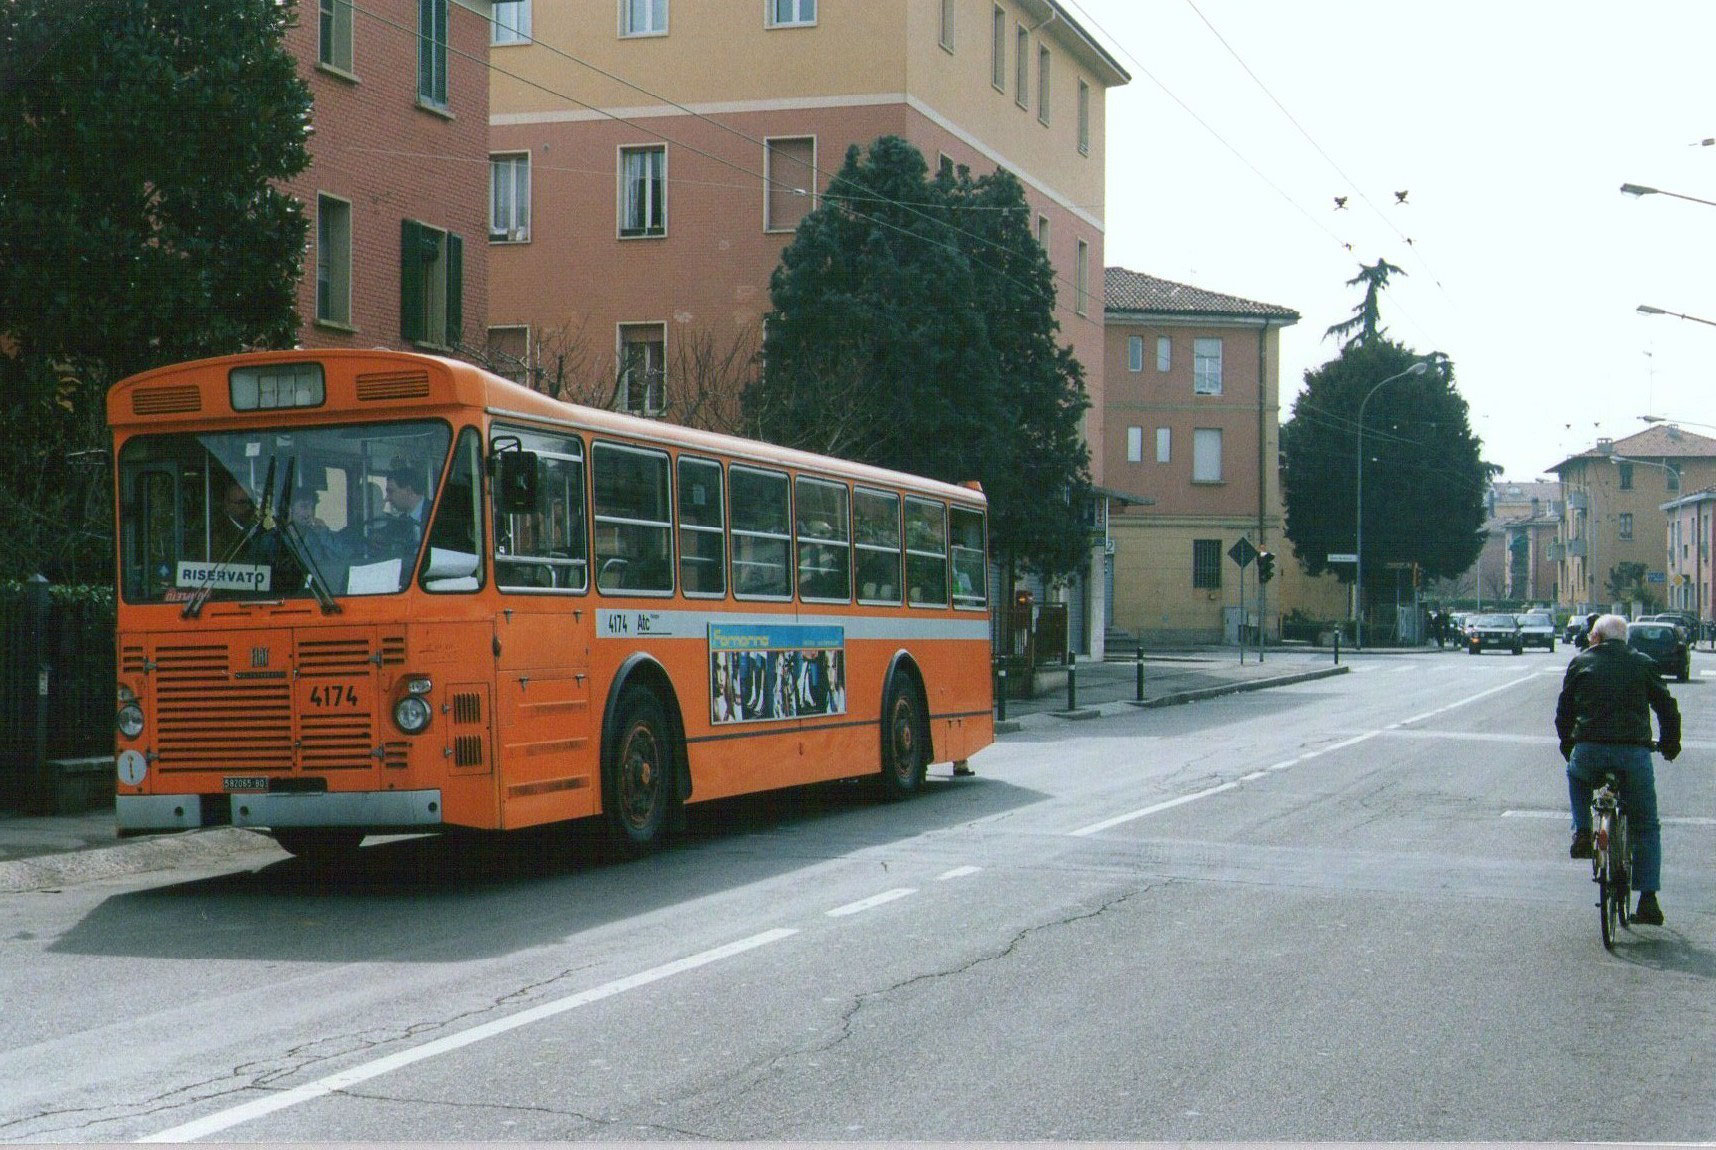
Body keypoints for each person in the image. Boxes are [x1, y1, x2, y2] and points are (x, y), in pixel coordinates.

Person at [1554, 613, 1681, 925]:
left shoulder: (1581, 663)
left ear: (1595, 637)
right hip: (1633, 752)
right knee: (1646, 825)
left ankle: (1583, 831)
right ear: (1625, 640)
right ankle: (1648, 899)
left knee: (1576, 775)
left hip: (1590, 749)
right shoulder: (1643, 663)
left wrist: (1568, 745)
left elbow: (1563, 712)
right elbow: (1666, 707)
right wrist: (1669, 743)